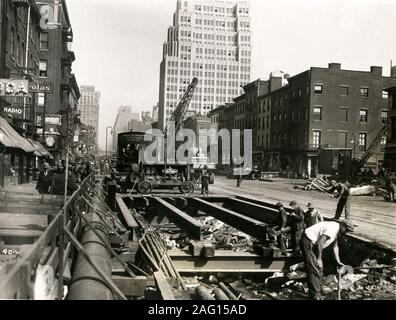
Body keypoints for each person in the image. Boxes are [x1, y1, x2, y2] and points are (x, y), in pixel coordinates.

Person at [301, 219, 354, 300]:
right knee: (314, 267)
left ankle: (318, 289)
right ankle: (315, 295)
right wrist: (319, 259)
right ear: (342, 225)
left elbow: (335, 246)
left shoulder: (338, 230)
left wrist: (338, 261)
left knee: (320, 268)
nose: (346, 232)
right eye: (346, 230)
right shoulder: (333, 229)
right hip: (308, 241)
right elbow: (319, 243)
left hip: (314, 243)